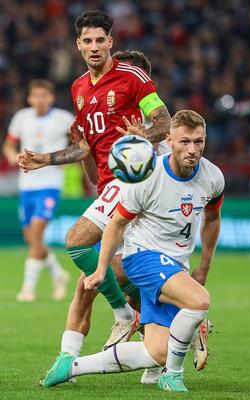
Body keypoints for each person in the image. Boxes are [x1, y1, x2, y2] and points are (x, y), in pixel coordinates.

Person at [17, 10, 171, 360]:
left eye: (100, 39)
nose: (94, 46)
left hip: (134, 179)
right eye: (87, 40)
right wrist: (46, 158)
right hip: (108, 185)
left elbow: (165, 122)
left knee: (77, 240)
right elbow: (86, 145)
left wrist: (142, 136)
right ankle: (163, 351)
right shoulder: (78, 89)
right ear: (78, 45)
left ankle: (121, 316)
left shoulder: (132, 77)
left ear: (110, 42)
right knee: (123, 281)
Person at [39, 109, 224, 392]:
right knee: (198, 301)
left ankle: (72, 366)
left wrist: (204, 267)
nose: (192, 149)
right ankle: (172, 375)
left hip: (176, 265)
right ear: (170, 140)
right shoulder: (148, 176)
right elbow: (116, 225)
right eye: (185, 141)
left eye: (198, 142)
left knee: (157, 351)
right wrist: (101, 268)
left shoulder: (213, 177)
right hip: (142, 257)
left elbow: (212, 220)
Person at [3, 79, 73, 301]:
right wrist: (11, 156)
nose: (40, 99)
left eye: (44, 95)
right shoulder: (21, 117)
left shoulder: (64, 118)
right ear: (29, 98)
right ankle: (58, 274)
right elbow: (9, 144)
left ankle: (28, 288)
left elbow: (82, 143)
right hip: (27, 185)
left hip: (50, 184)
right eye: (36, 95)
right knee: (31, 238)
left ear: (51, 97)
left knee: (37, 232)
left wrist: (68, 160)